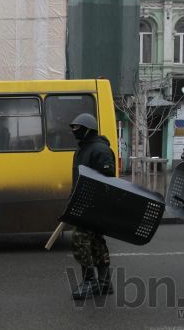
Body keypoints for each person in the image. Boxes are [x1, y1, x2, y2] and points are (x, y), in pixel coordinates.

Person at [68, 113, 116, 300]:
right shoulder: (82, 149)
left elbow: (107, 178)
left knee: (80, 240)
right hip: (82, 203)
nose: (74, 132)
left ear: (88, 130)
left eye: (77, 129)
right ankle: (104, 283)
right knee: (96, 242)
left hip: (95, 205)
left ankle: (90, 282)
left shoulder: (100, 150)